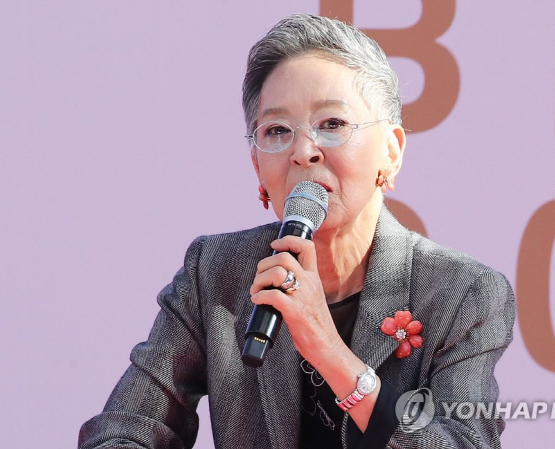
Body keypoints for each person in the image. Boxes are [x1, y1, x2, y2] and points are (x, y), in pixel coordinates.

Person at [78, 13, 515, 449]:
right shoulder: (214, 273)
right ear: (257, 164)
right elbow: (121, 431)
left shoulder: (461, 293)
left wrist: (329, 350)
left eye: (332, 124)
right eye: (277, 131)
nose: (303, 152)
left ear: (391, 150)